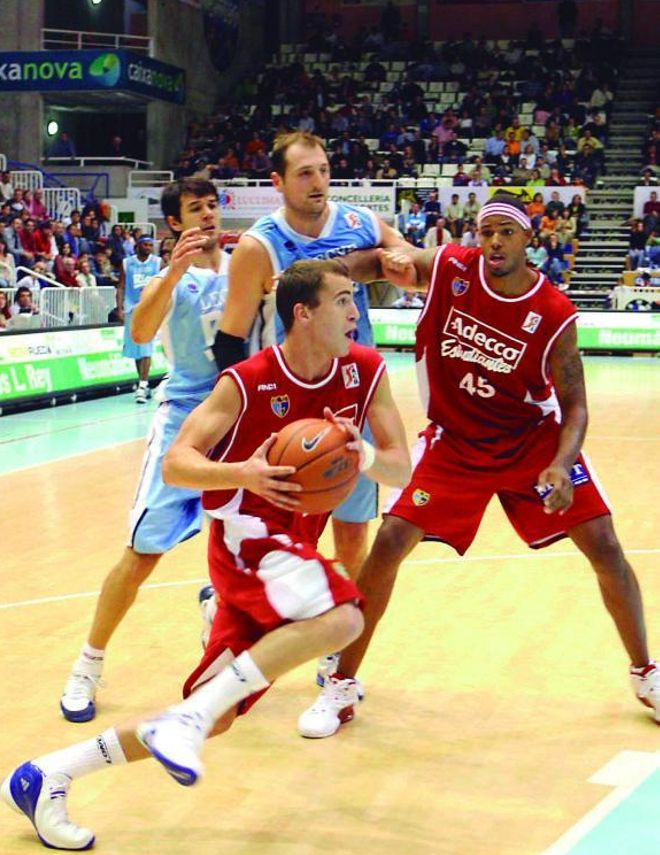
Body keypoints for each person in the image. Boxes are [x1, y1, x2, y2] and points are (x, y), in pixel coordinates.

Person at [1, 259, 411, 851]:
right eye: (345, 301)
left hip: (290, 548)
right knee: (347, 616)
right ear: (305, 313)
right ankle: (185, 722)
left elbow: (402, 466)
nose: (356, 313)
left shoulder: (366, 372)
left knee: (214, 711)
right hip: (245, 533)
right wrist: (241, 470)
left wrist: (363, 453)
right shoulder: (246, 381)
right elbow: (177, 462)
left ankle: (48, 775)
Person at [297, 193, 660, 738]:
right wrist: (331, 275)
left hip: (530, 443)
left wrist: (562, 464)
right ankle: (343, 684)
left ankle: (646, 673)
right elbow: (383, 262)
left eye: (505, 232)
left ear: (526, 238)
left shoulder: (554, 311)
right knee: (391, 542)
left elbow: (576, 403)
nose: (493, 241)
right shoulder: (449, 269)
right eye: (485, 231)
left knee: (604, 544)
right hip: (454, 444)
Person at [58, 178, 230, 723]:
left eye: (211, 206)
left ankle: (220, 609)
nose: (206, 216)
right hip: (186, 421)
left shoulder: (248, 268)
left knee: (258, 542)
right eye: (193, 210)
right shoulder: (170, 279)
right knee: (142, 554)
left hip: (241, 417)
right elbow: (139, 328)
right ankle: (87, 664)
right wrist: (175, 270)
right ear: (175, 224)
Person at [212, 130, 406, 582]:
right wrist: (238, 414)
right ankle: (229, 599)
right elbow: (230, 339)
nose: (318, 182)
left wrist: (373, 264)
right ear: (278, 182)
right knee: (282, 540)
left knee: (354, 537)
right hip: (285, 409)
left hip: (352, 398)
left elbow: (410, 260)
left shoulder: (360, 224)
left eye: (323, 170)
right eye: (304, 174)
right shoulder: (258, 246)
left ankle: (341, 646)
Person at [116, 235, 162, 403]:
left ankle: (142, 386)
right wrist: (120, 308)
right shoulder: (127, 263)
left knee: (146, 347)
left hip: (149, 308)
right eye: (146, 245)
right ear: (138, 246)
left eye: (151, 245)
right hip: (131, 308)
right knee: (136, 349)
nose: (149, 247)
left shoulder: (157, 263)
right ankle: (144, 383)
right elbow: (120, 286)